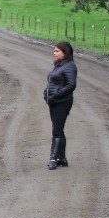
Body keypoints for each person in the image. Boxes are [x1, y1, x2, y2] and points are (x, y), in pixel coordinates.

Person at [44, 40, 77, 170]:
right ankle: (61, 158)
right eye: (54, 50)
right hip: (53, 102)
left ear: (65, 52)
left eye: (57, 51)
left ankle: (53, 158)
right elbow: (52, 82)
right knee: (58, 128)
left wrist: (55, 95)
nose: (54, 53)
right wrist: (46, 93)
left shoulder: (70, 66)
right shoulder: (59, 65)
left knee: (56, 130)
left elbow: (71, 85)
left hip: (62, 102)